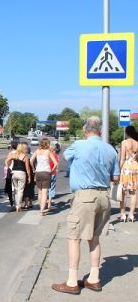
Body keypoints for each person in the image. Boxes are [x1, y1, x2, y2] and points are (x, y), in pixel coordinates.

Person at [52, 117, 120, 295]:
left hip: (85, 196)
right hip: (104, 196)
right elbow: (116, 178)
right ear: (100, 131)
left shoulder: (78, 145)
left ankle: (72, 281)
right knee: (94, 238)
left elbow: (67, 159)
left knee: (74, 237)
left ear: (85, 130)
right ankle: (94, 279)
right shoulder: (111, 150)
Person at [30, 138, 58, 216]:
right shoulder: (48, 152)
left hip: (38, 172)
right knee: (45, 192)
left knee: (40, 192)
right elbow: (55, 163)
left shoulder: (37, 151)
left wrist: (34, 169)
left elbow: (31, 160)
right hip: (46, 172)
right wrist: (52, 171)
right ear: (47, 144)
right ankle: (42, 210)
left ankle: (40, 207)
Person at [118, 125, 138, 222]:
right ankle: (131, 215)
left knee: (123, 192)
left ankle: (123, 214)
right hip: (135, 167)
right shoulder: (137, 142)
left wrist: (118, 170)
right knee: (133, 193)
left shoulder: (124, 142)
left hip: (126, 167)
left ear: (127, 133)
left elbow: (122, 158)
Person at [5, 142, 31, 212]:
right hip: (22, 173)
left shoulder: (14, 154)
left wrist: (8, 167)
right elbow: (27, 168)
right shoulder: (25, 156)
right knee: (20, 190)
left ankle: (16, 204)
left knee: (16, 190)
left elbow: (7, 160)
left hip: (14, 173)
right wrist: (29, 177)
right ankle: (18, 205)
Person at [48, 143, 60, 210]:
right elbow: (56, 164)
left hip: (46, 173)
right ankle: (49, 202)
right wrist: (55, 169)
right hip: (53, 173)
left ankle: (44, 203)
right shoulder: (55, 155)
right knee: (51, 188)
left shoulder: (46, 155)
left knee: (45, 188)